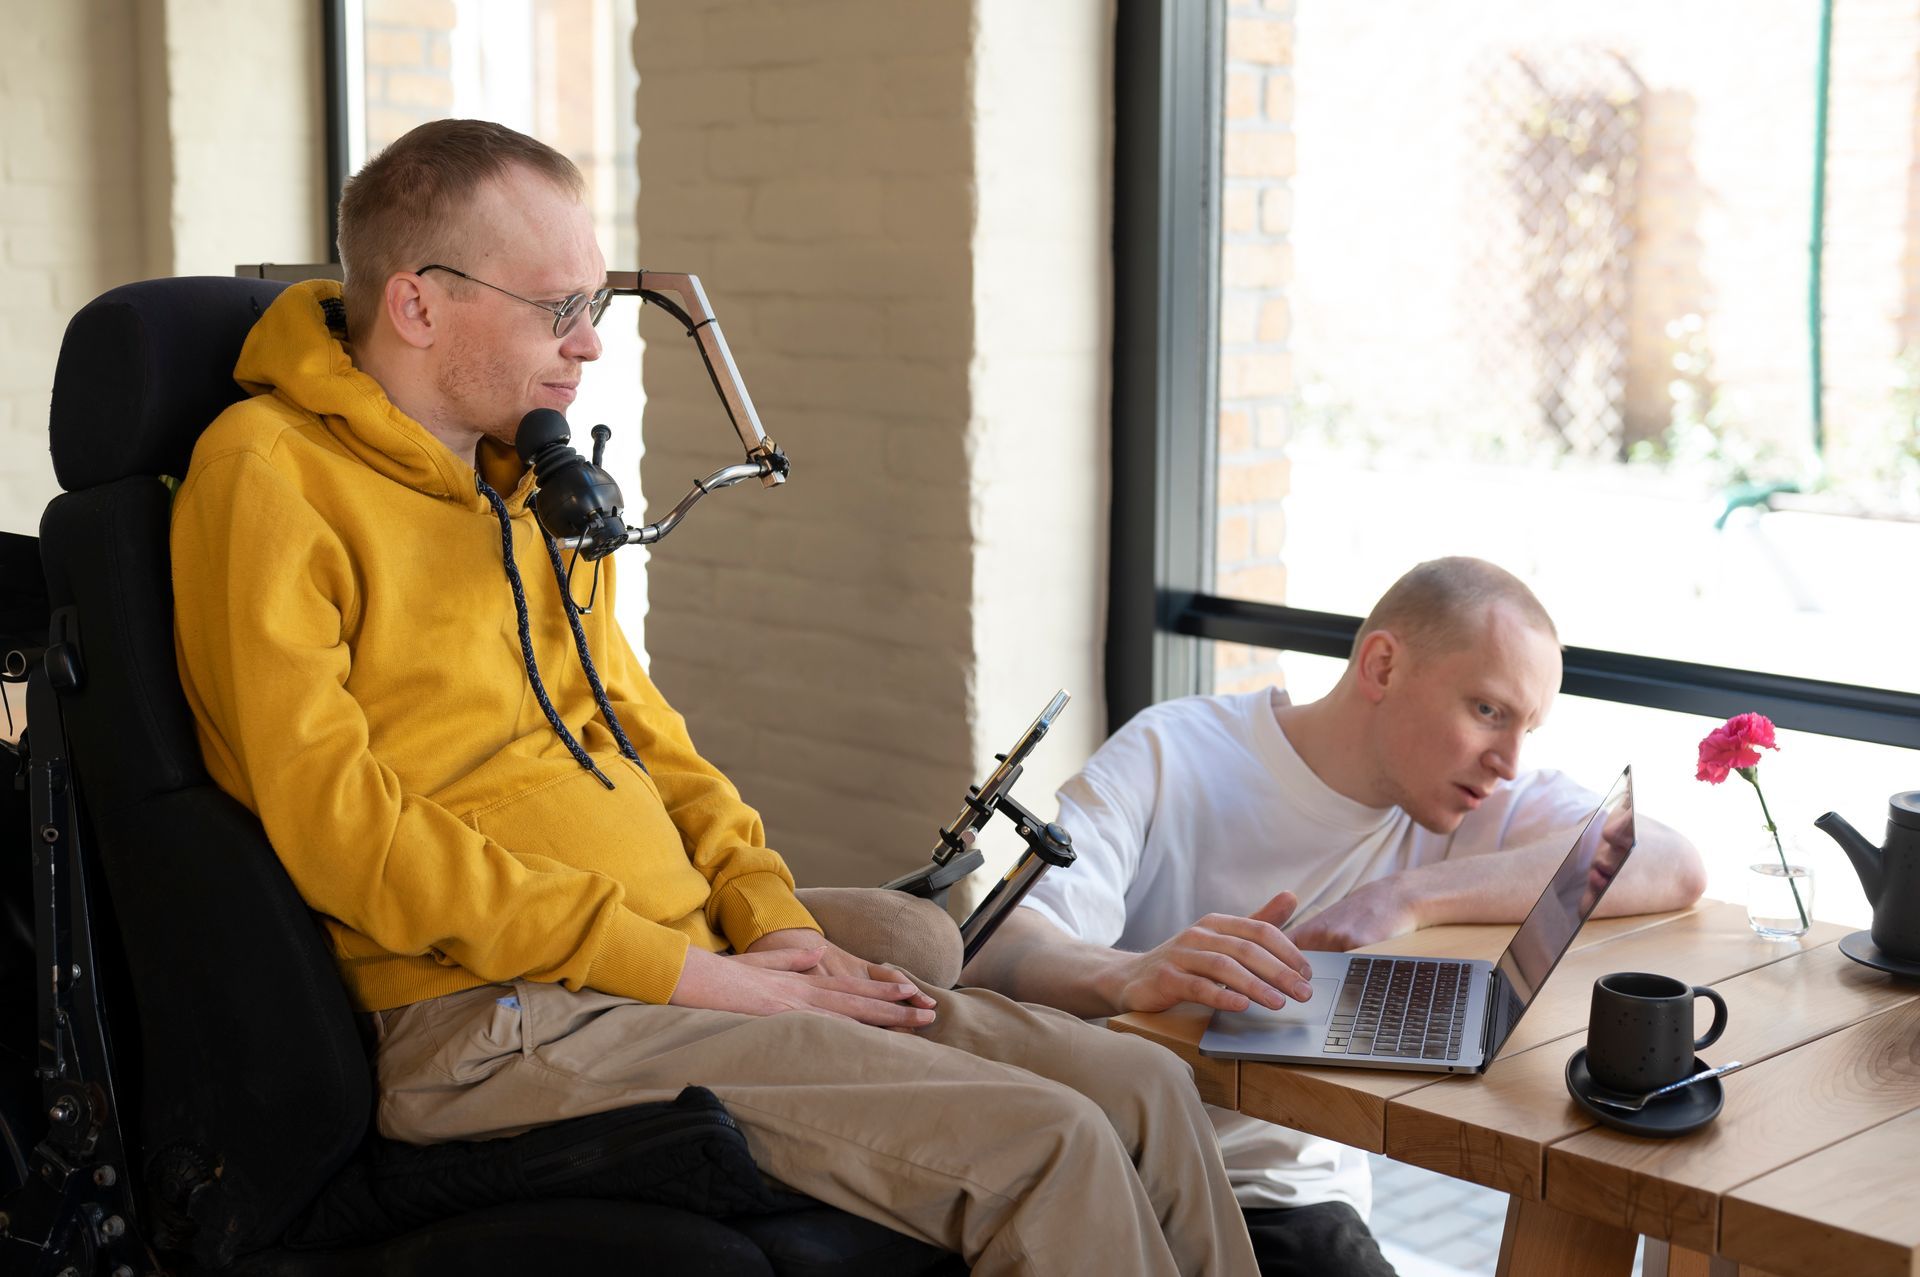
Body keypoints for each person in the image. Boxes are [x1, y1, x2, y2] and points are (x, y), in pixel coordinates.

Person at [168, 119, 1259, 1277]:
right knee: (1053, 1145)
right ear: (418, 304)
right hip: (494, 1016)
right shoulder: (267, 475)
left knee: (1140, 1081)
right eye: (555, 308)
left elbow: (651, 739)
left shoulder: (526, 482)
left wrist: (776, 923)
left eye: (597, 302)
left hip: (667, 963)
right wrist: (705, 977)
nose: (588, 345)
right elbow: (344, 833)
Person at [962, 557, 1707, 1277]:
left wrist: (1403, 897)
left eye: (1526, 729)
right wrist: (1132, 973)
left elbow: (1667, 859)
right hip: (1107, 1161)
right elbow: (997, 950)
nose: (1508, 760)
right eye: (1487, 711)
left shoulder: (1476, 799)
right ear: (1382, 666)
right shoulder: (1175, 750)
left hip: (1284, 1194)